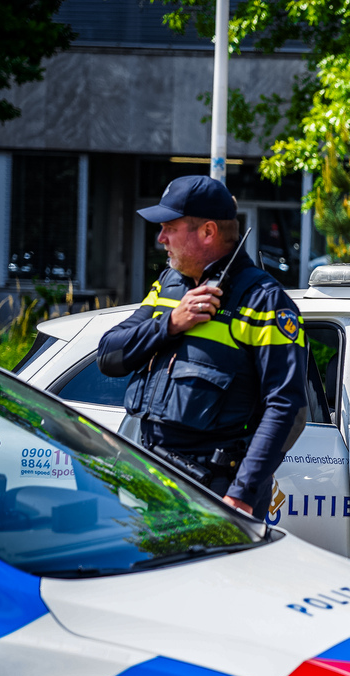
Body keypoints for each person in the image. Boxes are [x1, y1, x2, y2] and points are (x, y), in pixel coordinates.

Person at [98, 175, 307, 517]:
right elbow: (109, 355)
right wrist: (170, 324)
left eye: (169, 227)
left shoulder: (264, 300)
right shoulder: (169, 285)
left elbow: (286, 407)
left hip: (216, 494)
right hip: (152, 481)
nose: (160, 238)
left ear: (208, 232)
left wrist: (241, 494)